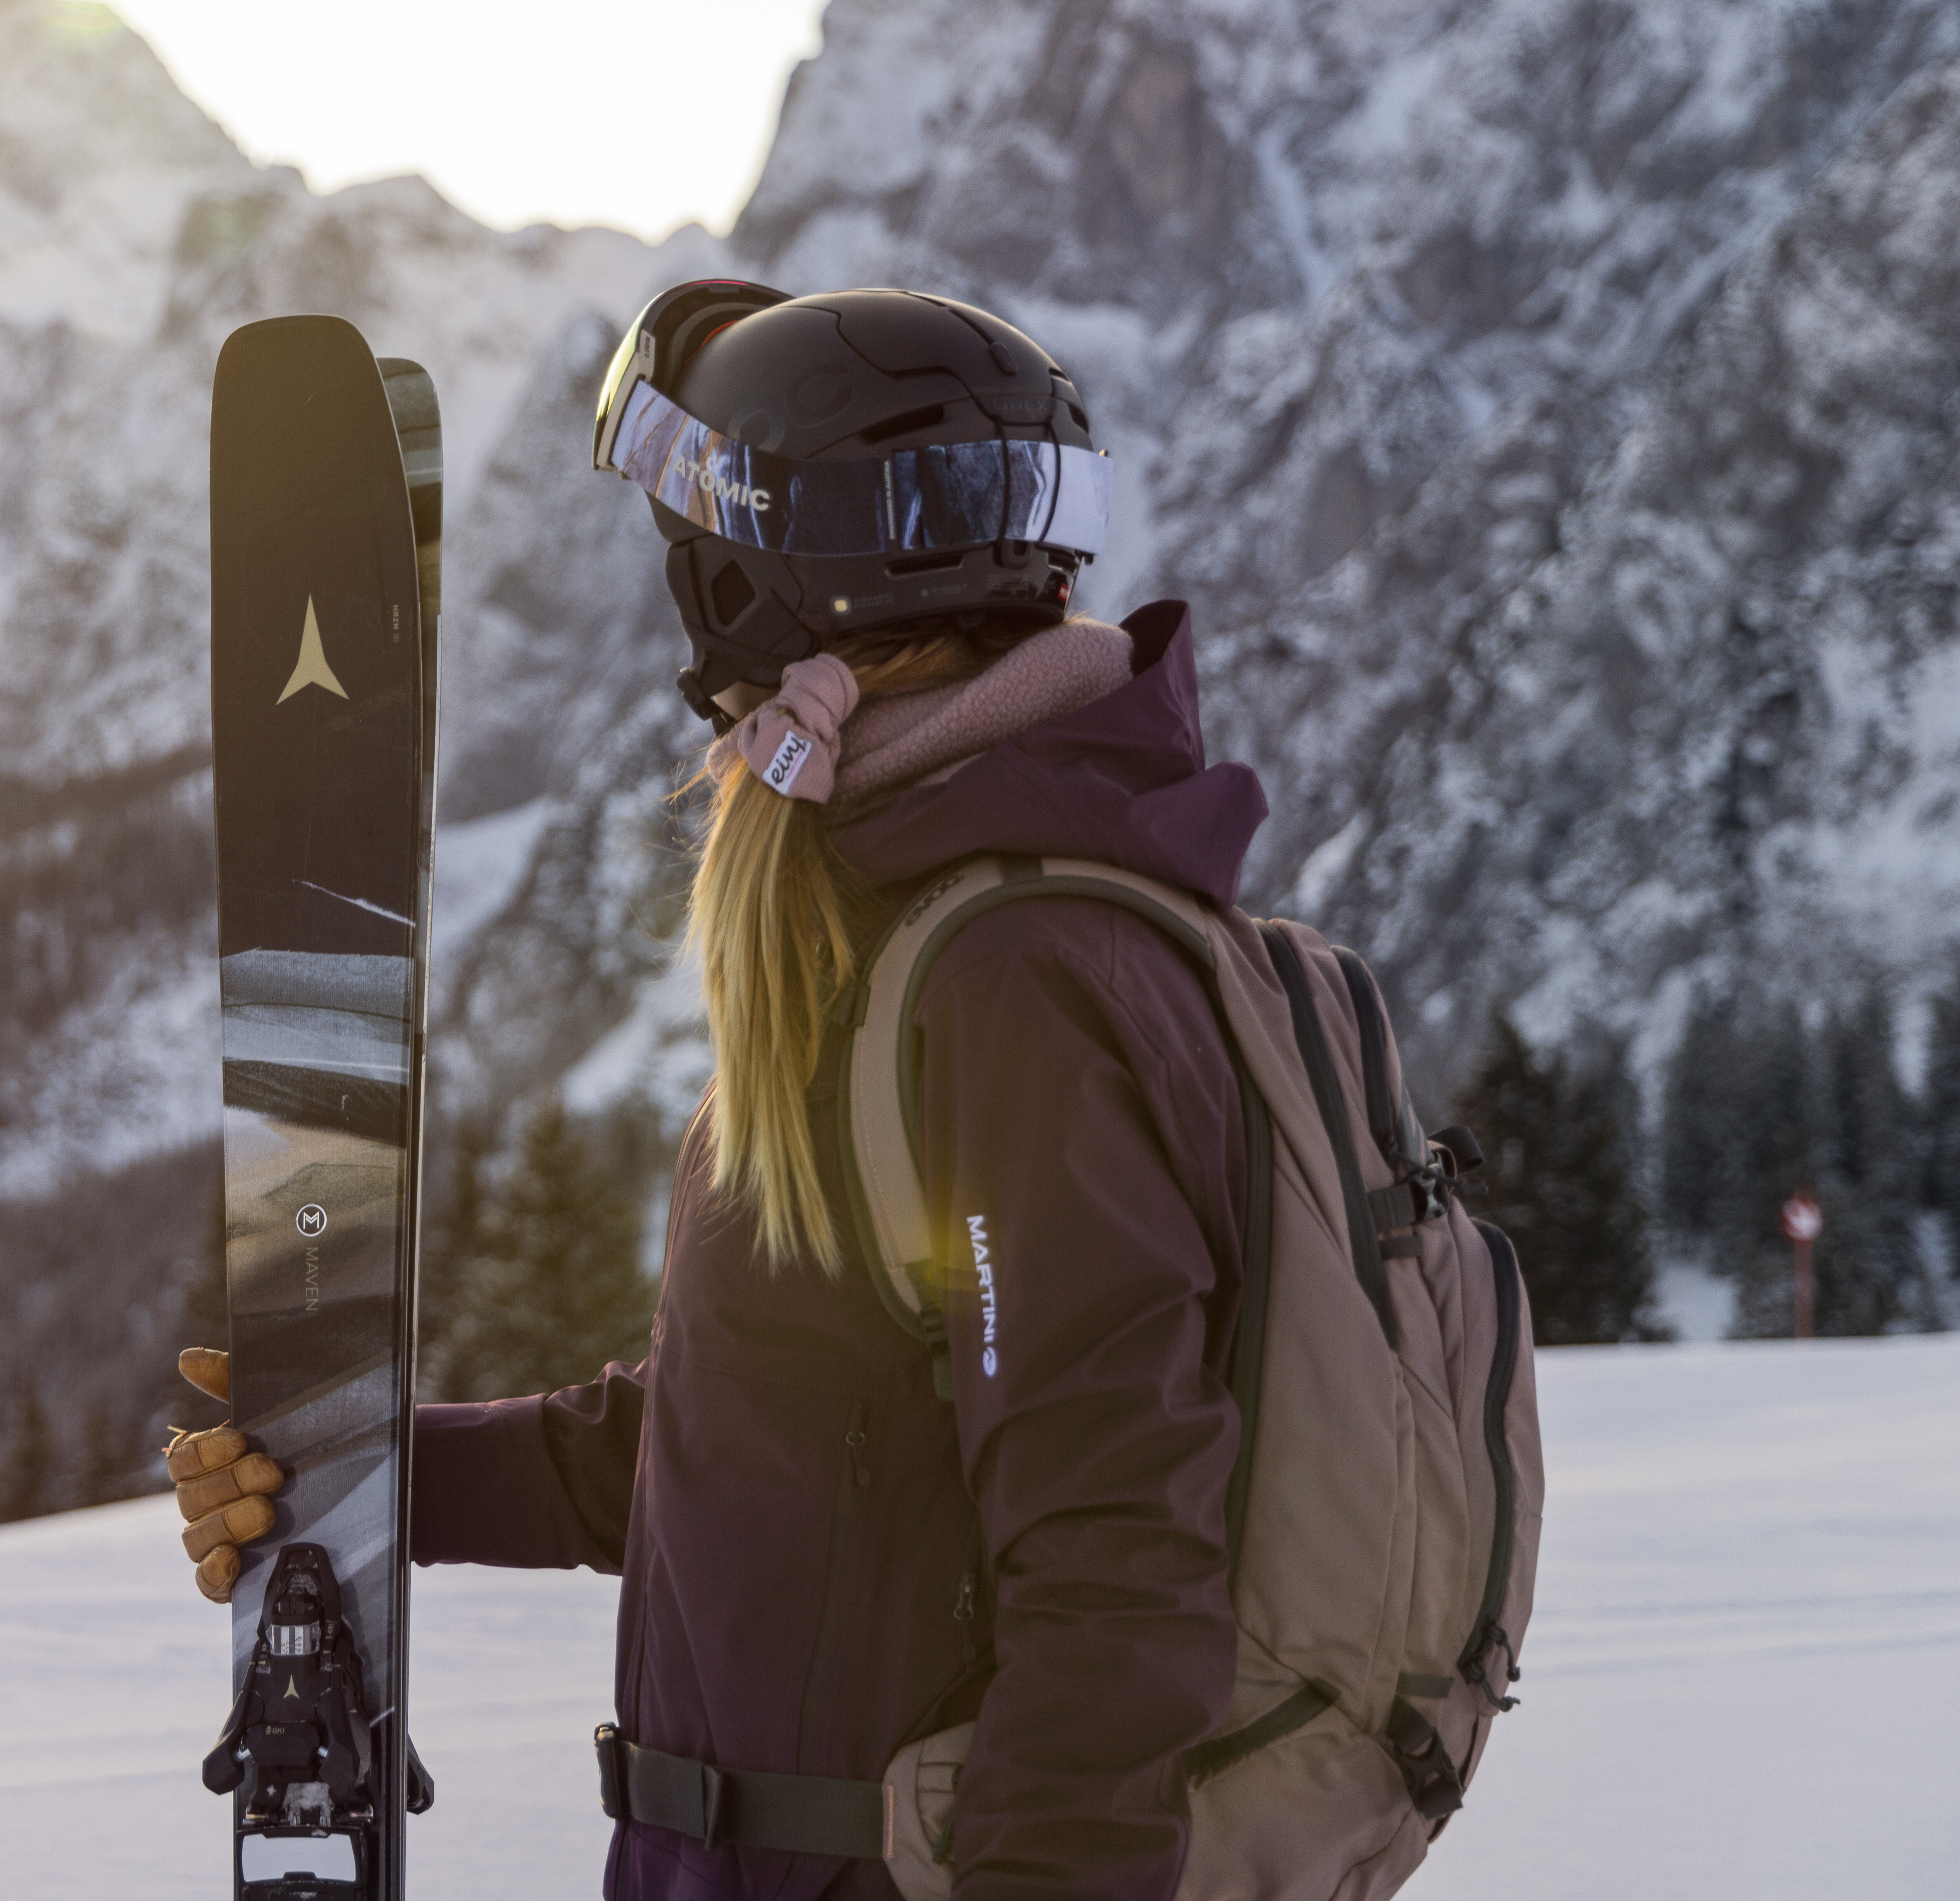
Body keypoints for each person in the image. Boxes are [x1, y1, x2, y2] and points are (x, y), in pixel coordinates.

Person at [167, 282, 1272, 1900]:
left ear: (756, 580)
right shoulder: (921, 938)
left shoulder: (1005, 991)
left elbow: (1118, 1573)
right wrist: (366, 1469)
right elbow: (787, 1441)